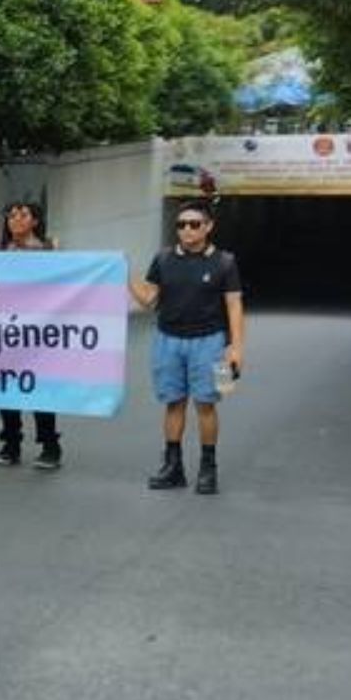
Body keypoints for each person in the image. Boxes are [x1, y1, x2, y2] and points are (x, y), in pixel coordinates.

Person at [127, 200, 243, 495]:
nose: (187, 230)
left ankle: (208, 469)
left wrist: (236, 348)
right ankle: (173, 467)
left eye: (194, 224)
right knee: (173, 402)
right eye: (181, 225)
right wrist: (125, 272)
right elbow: (149, 299)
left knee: (207, 404)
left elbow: (234, 306)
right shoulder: (163, 259)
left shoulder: (224, 262)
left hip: (211, 342)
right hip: (168, 341)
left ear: (208, 227)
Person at [0, 202, 63, 469]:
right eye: (11, 215)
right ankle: (11, 443)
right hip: (7, 332)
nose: (15, 220)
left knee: (40, 390)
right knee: (7, 391)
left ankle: (49, 445)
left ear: (35, 221)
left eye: (22, 215)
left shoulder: (49, 250)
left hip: (39, 332)